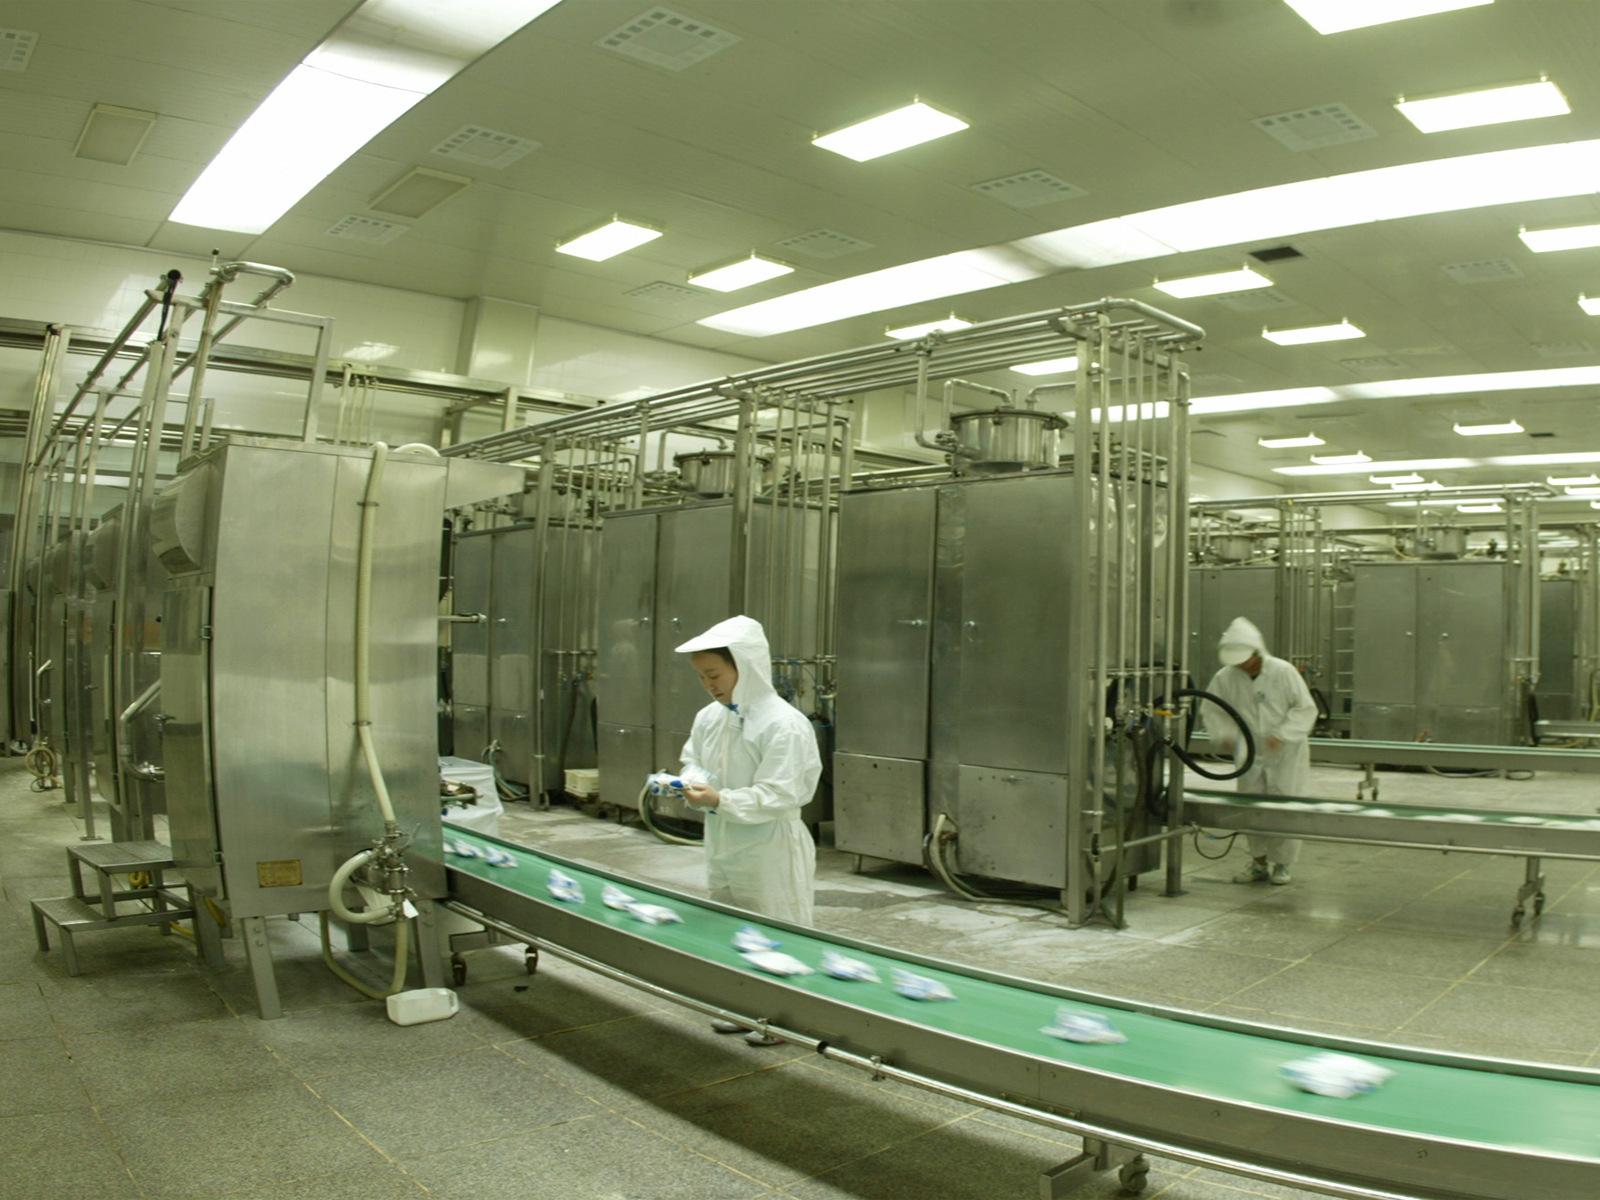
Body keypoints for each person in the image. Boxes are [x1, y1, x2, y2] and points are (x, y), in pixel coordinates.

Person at [668, 615, 820, 1044]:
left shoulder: (784, 724)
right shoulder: (710, 717)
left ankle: (784, 1020)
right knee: (731, 924)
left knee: (776, 926)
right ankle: (745, 1007)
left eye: (714, 674)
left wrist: (720, 800)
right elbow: (693, 759)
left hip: (770, 843)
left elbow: (780, 793)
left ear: (745, 666)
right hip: (724, 838)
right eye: (701, 677)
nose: (708, 685)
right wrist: (690, 782)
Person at [1201, 616, 1317, 886]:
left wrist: (1282, 735)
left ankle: (1283, 864)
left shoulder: (1283, 671)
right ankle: (1258, 863)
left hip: (1286, 753)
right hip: (1249, 753)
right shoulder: (1225, 677)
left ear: (1257, 652)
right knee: (1251, 808)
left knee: (1286, 805)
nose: (1243, 666)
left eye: (1246, 660)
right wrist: (1226, 736)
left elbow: (1305, 708)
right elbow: (1213, 710)